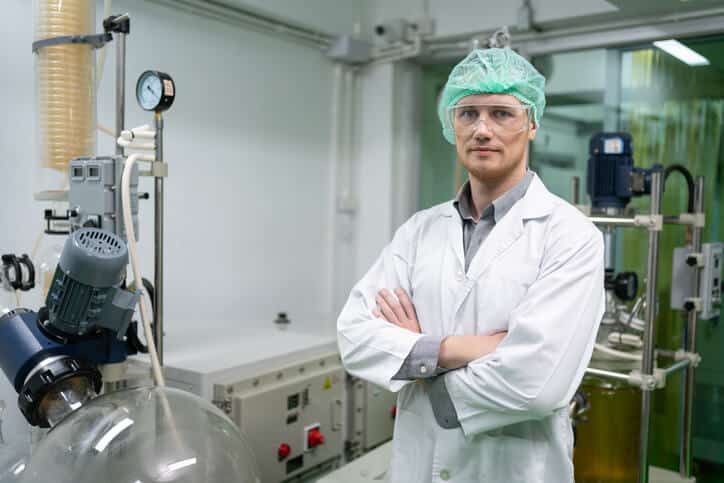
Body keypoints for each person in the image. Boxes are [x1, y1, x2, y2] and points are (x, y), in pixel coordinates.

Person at [337, 47, 605, 482]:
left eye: (501, 113)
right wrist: (458, 349)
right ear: (451, 124)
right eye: (468, 114)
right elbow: (354, 337)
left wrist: (418, 361)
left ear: (532, 123)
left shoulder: (570, 236)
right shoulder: (419, 231)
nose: (482, 129)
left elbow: (537, 383)